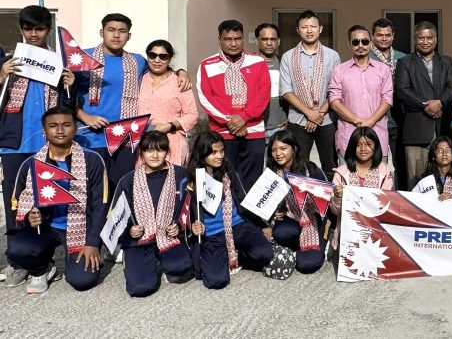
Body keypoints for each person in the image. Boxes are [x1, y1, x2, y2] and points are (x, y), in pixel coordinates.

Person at [0, 5, 76, 270]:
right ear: (21, 29)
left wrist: (70, 86)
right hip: (14, 143)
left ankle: (43, 258)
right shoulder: (8, 61)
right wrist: (1, 76)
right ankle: (17, 260)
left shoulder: (58, 63)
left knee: (48, 197)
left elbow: (69, 108)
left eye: (39, 29)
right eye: (28, 28)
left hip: (49, 144)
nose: (33, 34)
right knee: (14, 200)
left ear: (48, 29)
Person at [75, 13, 190, 186]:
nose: (116, 35)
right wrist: (85, 117)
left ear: (129, 36)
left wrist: (181, 72)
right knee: (92, 190)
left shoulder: (137, 61)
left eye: (122, 31)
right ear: (101, 32)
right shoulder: (83, 58)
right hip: (90, 137)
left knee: (122, 188)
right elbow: (64, 95)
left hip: (126, 139)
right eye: (111, 30)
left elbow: (161, 70)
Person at [6, 106, 106, 294]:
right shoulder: (31, 163)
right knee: (17, 249)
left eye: (66, 125)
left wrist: (93, 242)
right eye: (53, 126)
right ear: (44, 131)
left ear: (75, 128)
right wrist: (29, 218)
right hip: (47, 227)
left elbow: (101, 205)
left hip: (80, 227)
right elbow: (19, 204)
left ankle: (79, 259)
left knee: (82, 281)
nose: (60, 130)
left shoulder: (92, 160)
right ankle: (42, 269)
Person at [186, 131, 273, 289]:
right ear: (202, 154)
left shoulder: (227, 170)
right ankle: (223, 255)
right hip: (211, 233)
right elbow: (183, 213)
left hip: (237, 225)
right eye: (213, 152)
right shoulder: (190, 179)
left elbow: (243, 199)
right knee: (216, 281)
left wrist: (261, 224)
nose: (219, 156)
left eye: (221, 151)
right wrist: (192, 226)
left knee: (265, 253)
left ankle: (235, 254)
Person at [111, 131, 193, 297]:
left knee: (181, 267)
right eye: (149, 150)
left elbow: (190, 207)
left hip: (168, 236)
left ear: (167, 151)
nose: (155, 155)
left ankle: (163, 260)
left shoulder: (181, 174)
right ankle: (136, 260)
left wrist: (179, 226)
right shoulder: (128, 180)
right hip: (139, 240)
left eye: (160, 150)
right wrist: (130, 230)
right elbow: (116, 217)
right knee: (141, 288)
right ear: (141, 153)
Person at [196, 20, 271, 190]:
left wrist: (244, 117)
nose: (233, 43)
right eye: (228, 39)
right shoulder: (207, 64)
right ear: (219, 40)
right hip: (222, 133)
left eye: (237, 39)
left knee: (252, 183)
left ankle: (249, 210)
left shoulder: (258, 62)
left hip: (253, 131)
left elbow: (264, 93)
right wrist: (231, 122)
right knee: (224, 182)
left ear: (243, 39)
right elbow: (205, 97)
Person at [394, 22, 452, 189]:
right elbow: (402, 90)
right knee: (416, 181)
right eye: (421, 38)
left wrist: (440, 102)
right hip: (417, 131)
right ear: (415, 39)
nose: (425, 42)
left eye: (429, 38)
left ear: (435, 39)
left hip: (442, 127)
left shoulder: (446, 61)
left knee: (445, 180)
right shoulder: (405, 62)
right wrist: (426, 106)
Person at [280, 10, 341, 171]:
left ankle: (329, 190)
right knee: (298, 166)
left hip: (326, 120)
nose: (309, 30)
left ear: (320, 29)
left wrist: (318, 114)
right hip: (298, 120)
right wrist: (309, 112)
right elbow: (286, 90)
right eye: (304, 27)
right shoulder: (288, 56)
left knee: (330, 166)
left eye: (313, 26)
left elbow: (335, 89)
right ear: (297, 30)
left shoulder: (332, 56)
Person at [329, 25, 394, 169]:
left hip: (377, 134)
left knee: (378, 181)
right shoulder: (339, 70)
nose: (360, 46)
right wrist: (357, 120)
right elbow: (334, 101)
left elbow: (388, 99)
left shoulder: (383, 69)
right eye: (355, 42)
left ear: (371, 43)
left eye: (364, 41)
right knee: (348, 181)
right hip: (348, 135)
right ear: (349, 45)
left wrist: (370, 121)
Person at [266, 131, 329, 273]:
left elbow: (326, 202)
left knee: (307, 265)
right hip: (290, 216)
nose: (278, 154)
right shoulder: (272, 173)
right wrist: (272, 212)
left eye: (283, 148)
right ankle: (296, 246)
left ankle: (320, 244)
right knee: (282, 233)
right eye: (274, 150)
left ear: (294, 148)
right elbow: (264, 202)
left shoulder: (311, 169)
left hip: (313, 219)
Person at [330, 128, 394, 247]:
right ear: (352, 147)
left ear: (376, 146)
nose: (363, 149)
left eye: (368, 144)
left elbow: (387, 203)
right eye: (358, 145)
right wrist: (337, 197)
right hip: (348, 231)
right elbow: (334, 210)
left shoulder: (385, 171)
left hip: (376, 231)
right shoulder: (341, 172)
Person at [138, 40, 198, 166]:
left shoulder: (179, 82)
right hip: (142, 143)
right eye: (152, 55)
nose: (157, 60)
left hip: (171, 142)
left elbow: (192, 115)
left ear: (170, 59)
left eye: (163, 56)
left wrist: (170, 126)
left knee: (171, 177)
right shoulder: (139, 80)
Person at [369, 17, 407, 156]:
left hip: (398, 120)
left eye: (387, 35)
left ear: (393, 36)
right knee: (375, 160)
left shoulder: (403, 58)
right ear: (372, 36)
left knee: (400, 162)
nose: (384, 38)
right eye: (380, 35)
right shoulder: (366, 58)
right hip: (374, 119)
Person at [255, 23, 288, 139]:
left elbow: (293, 92)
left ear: (278, 41)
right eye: (264, 39)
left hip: (280, 127)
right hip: (255, 127)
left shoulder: (284, 63)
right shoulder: (249, 64)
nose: (269, 43)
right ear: (257, 41)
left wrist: (290, 118)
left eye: (273, 39)